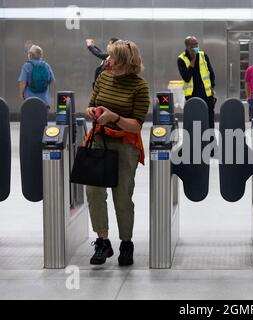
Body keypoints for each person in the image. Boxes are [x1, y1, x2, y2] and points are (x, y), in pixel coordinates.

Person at [84, 40, 150, 266]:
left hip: (125, 143)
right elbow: (90, 105)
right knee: (93, 191)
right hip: (99, 139)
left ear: (125, 62)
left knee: (122, 196)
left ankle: (126, 243)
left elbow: (136, 125)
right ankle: (102, 242)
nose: (108, 61)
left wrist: (114, 117)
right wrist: (92, 111)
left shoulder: (139, 87)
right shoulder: (103, 77)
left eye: (112, 58)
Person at [177, 36, 216, 155]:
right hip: (192, 96)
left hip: (207, 95)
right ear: (187, 47)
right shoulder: (181, 59)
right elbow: (186, 77)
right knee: (194, 123)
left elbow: (211, 72)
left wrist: (213, 88)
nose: (196, 47)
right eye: (193, 45)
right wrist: (193, 61)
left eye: (197, 44)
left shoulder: (204, 55)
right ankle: (195, 148)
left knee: (209, 122)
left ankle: (211, 148)